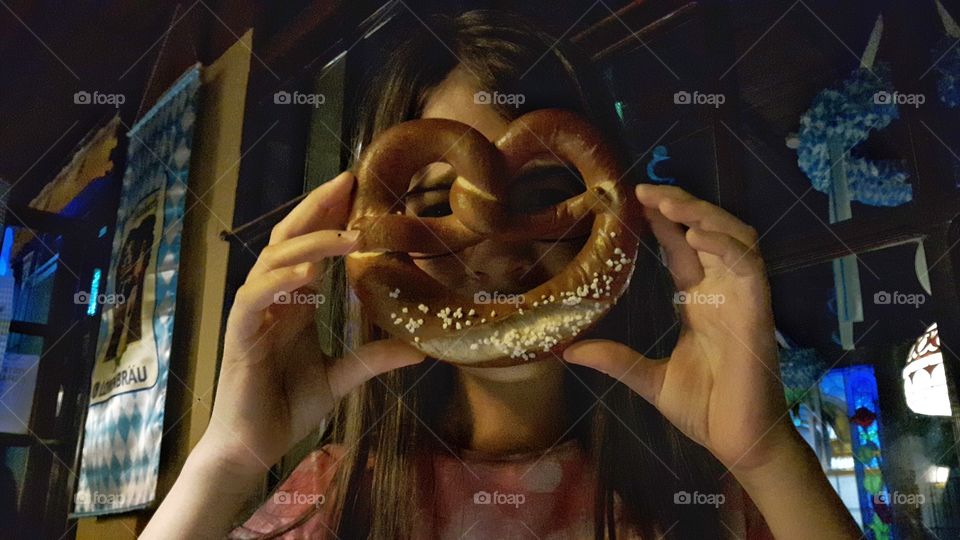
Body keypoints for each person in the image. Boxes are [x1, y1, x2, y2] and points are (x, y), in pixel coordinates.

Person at [142, 9, 862, 539]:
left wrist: (766, 452)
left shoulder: (712, 503)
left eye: (548, 197)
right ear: (377, 241)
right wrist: (229, 457)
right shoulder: (334, 504)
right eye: (435, 206)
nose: (496, 253)